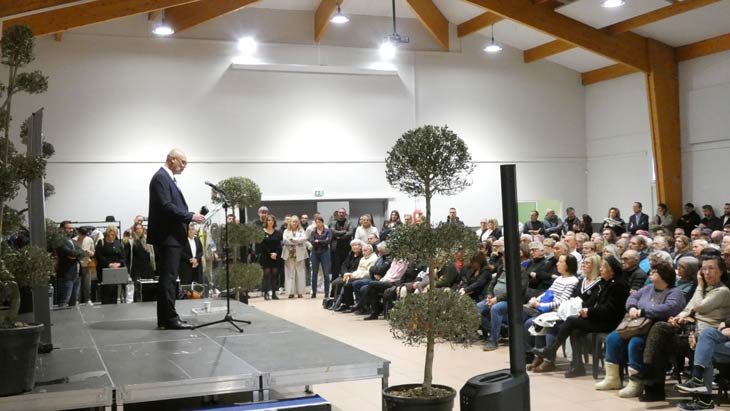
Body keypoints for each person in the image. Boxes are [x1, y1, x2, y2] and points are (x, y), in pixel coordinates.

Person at [595, 262, 685, 399]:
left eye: (654, 272)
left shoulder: (675, 293)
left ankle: (636, 383)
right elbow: (633, 297)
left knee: (635, 343)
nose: (650, 273)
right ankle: (612, 378)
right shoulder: (648, 288)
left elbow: (669, 308)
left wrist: (643, 311)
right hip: (636, 324)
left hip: (655, 329)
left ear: (664, 275)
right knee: (612, 338)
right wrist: (631, 307)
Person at [533, 256, 630, 377]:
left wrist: (589, 312)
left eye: (603, 267)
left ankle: (551, 350)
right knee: (575, 331)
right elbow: (596, 303)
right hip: (600, 316)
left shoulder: (618, 285)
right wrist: (587, 310)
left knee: (571, 320)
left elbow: (610, 310)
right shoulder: (607, 282)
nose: (600, 269)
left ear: (612, 270)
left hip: (610, 322)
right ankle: (577, 366)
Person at [147, 148, 205, 329]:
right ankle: (170, 319)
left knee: (169, 279)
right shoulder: (161, 178)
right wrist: (190, 216)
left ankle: (165, 319)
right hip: (168, 237)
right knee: (169, 279)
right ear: (172, 159)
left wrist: (189, 215)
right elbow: (166, 206)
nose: (184, 166)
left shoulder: (167, 178)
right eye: (182, 162)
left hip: (171, 237)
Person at [96, 225, 126, 305]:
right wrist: (109, 264)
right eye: (111, 234)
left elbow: (123, 256)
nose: (113, 236)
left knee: (114, 291)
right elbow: (99, 256)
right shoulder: (101, 242)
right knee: (106, 292)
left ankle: (114, 308)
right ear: (107, 233)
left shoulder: (118, 243)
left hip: (116, 271)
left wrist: (119, 263)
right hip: (104, 271)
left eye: (115, 234)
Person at [57, 221, 84, 307]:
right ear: (62, 229)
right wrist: (75, 254)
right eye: (69, 228)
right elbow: (70, 253)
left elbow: (82, 252)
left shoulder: (73, 241)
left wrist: (75, 256)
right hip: (66, 275)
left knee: (74, 303)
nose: (72, 230)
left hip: (76, 275)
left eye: (72, 228)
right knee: (64, 302)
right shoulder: (59, 241)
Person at [126, 222, 154, 302]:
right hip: (136, 270)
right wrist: (128, 271)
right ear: (134, 230)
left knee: (147, 290)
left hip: (147, 269)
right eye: (137, 229)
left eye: (141, 228)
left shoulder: (147, 240)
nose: (139, 230)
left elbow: (151, 256)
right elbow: (127, 257)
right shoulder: (131, 241)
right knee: (137, 290)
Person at [282, 215, 308, 298]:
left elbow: (304, 239)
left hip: (299, 254)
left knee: (300, 273)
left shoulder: (301, 230)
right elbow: (285, 240)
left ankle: (300, 292)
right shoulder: (286, 231)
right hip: (289, 254)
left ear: (298, 222)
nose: (294, 223)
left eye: (296, 221)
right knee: (290, 273)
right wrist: (296, 241)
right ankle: (291, 292)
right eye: (293, 221)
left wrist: (293, 239)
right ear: (290, 222)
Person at [257, 215, 282, 300]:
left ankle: (274, 293)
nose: (270, 222)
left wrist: (276, 253)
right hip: (265, 256)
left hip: (275, 257)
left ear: (274, 222)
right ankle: (266, 293)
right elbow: (261, 245)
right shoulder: (262, 232)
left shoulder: (277, 233)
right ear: (266, 222)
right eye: (269, 220)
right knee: (266, 275)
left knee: (274, 276)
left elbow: (279, 245)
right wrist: (270, 253)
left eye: (272, 220)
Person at [309, 215, 332, 299]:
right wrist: (322, 241)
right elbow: (312, 241)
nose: (318, 224)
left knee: (326, 274)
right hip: (315, 253)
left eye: (319, 222)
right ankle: (314, 292)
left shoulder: (327, 231)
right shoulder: (313, 232)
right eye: (316, 222)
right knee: (314, 273)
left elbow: (328, 241)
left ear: (322, 222)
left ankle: (326, 293)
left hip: (325, 253)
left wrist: (318, 241)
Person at [73, 226, 95, 305]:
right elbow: (72, 253)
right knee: (77, 284)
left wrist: (89, 253)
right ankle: (76, 300)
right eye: (81, 235)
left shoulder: (89, 240)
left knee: (87, 284)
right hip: (77, 264)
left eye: (84, 235)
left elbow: (93, 252)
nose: (83, 237)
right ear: (78, 233)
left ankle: (87, 299)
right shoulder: (74, 240)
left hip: (87, 264)